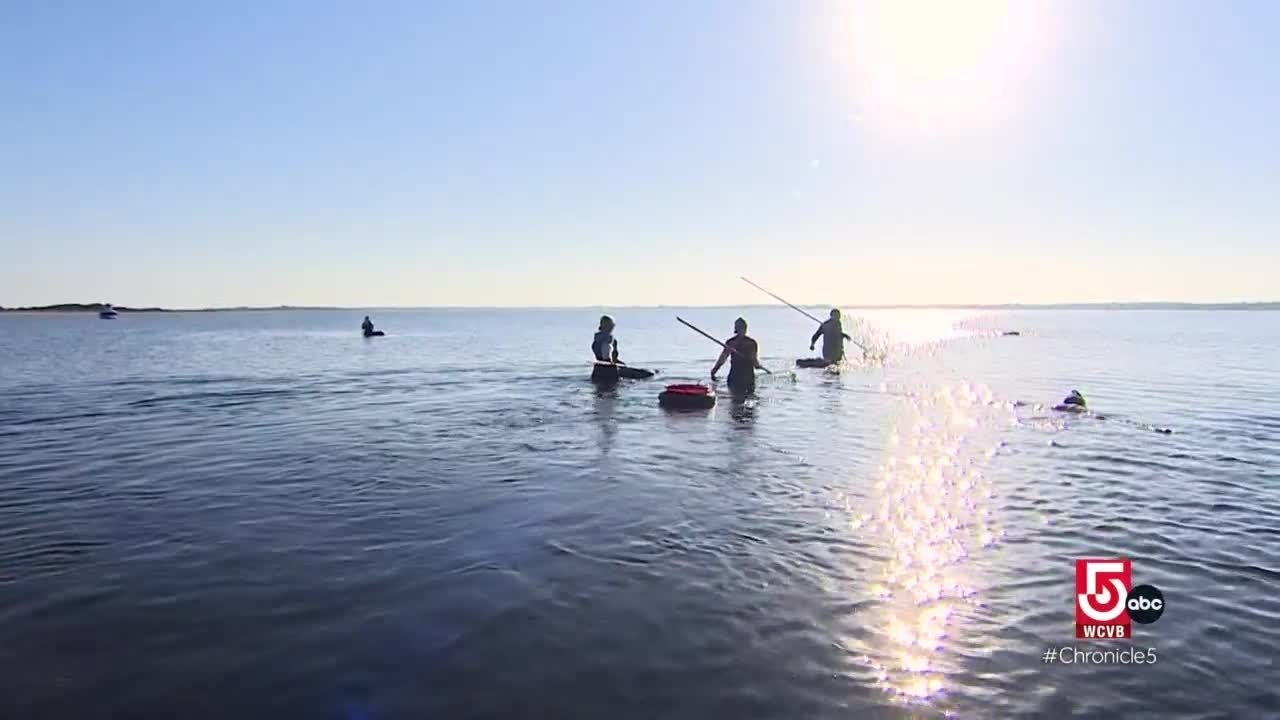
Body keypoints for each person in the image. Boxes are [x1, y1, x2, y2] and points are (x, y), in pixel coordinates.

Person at [711, 317, 762, 393]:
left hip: (739, 377)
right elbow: (755, 362)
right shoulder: (751, 342)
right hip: (742, 377)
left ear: (736, 329)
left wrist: (714, 371)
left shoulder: (732, 342)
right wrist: (757, 365)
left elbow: (722, 360)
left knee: (736, 401)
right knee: (748, 400)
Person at [591, 315, 621, 383]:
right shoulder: (609, 339)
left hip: (598, 367)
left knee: (598, 389)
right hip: (608, 368)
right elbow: (606, 352)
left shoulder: (596, 339)